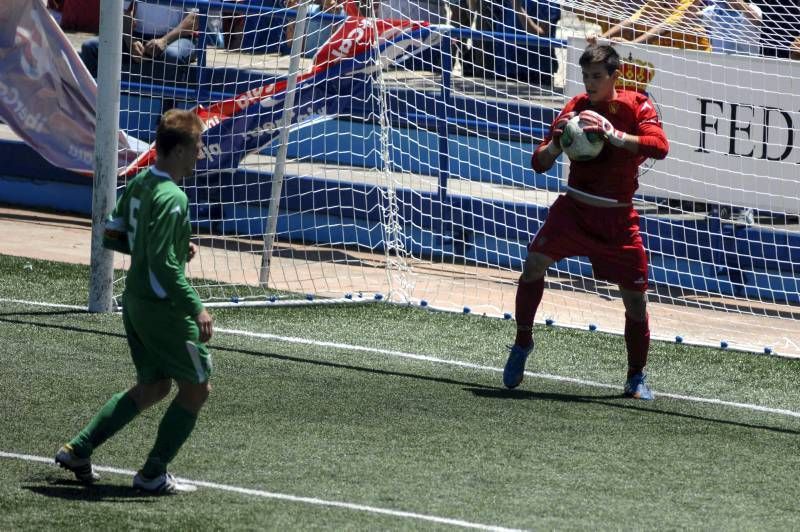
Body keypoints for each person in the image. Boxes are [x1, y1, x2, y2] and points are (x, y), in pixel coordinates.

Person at [55, 109, 214, 494]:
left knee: (155, 386)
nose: (200, 154)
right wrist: (197, 306)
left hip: (136, 303)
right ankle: (152, 474)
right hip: (163, 310)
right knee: (196, 389)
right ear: (178, 150)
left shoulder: (142, 182)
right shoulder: (173, 198)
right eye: (196, 147)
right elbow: (163, 265)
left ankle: (79, 449)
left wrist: (171, 245)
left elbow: (112, 233)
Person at [502, 44, 669, 400]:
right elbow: (539, 162)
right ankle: (522, 342)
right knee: (533, 265)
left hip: (618, 217)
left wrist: (614, 136)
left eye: (597, 77)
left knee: (636, 301)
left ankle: (636, 376)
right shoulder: (576, 108)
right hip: (575, 210)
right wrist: (557, 145)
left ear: (615, 75)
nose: (590, 84)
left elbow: (659, 145)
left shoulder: (637, 104)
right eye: (586, 77)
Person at [79, 0, 197, 79]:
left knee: (172, 56)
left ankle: (167, 114)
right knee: (90, 48)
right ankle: (94, 108)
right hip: (137, 37)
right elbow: (124, 11)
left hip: (178, 38)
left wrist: (164, 41)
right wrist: (130, 41)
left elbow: (197, 17)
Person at [592, 0, 711, 51]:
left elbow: (665, 27)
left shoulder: (689, 3)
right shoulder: (655, 2)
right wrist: (602, 38)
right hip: (666, 56)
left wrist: (632, 44)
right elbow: (633, 21)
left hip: (694, 56)